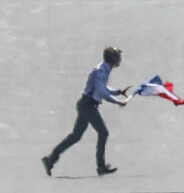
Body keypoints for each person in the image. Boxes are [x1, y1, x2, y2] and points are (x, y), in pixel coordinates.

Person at [42, 46, 128, 177]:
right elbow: (101, 91)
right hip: (88, 106)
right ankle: (101, 166)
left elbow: (102, 88)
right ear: (113, 59)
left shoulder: (104, 68)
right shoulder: (101, 71)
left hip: (85, 104)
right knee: (103, 133)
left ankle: (50, 159)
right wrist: (117, 101)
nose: (119, 59)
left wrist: (118, 91)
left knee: (75, 136)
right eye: (117, 57)